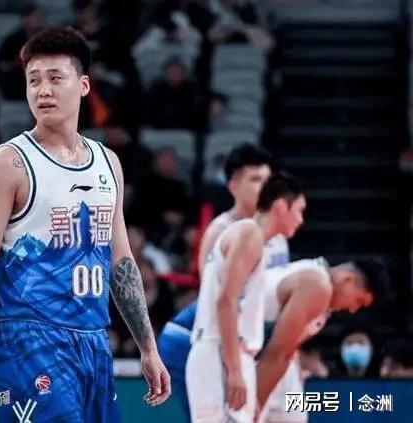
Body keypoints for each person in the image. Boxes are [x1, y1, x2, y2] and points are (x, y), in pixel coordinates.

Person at [0, 28, 170, 421]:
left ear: (83, 86)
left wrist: (148, 347)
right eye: (34, 80)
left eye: (55, 78)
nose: (43, 90)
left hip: (94, 340)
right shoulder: (6, 165)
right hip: (31, 341)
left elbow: (121, 260)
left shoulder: (108, 163)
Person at [158, 144, 284, 419]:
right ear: (233, 186)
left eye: (268, 180)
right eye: (255, 180)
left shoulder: (278, 237)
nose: (264, 188)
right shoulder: (221, 230)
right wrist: (235, 366)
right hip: (194, 337)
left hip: (240, 342)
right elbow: (217, 300)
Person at [186, 172, 306, 423]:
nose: (301, 219)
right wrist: (234, 370)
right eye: (299, 210)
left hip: (228, 353)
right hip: (219, 352)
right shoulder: (249, 234)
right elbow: (226, 301)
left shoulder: (252, 237)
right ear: (281, 206)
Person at [257, 257, 388, 422]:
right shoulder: (318, 286)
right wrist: (255, 406)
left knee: (292, 416)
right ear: (348, 279)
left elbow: (284, 349)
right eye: (359, 301)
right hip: (241, 345)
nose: (353, 309)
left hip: (265, 351)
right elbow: (277, 354)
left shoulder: (321, 287)